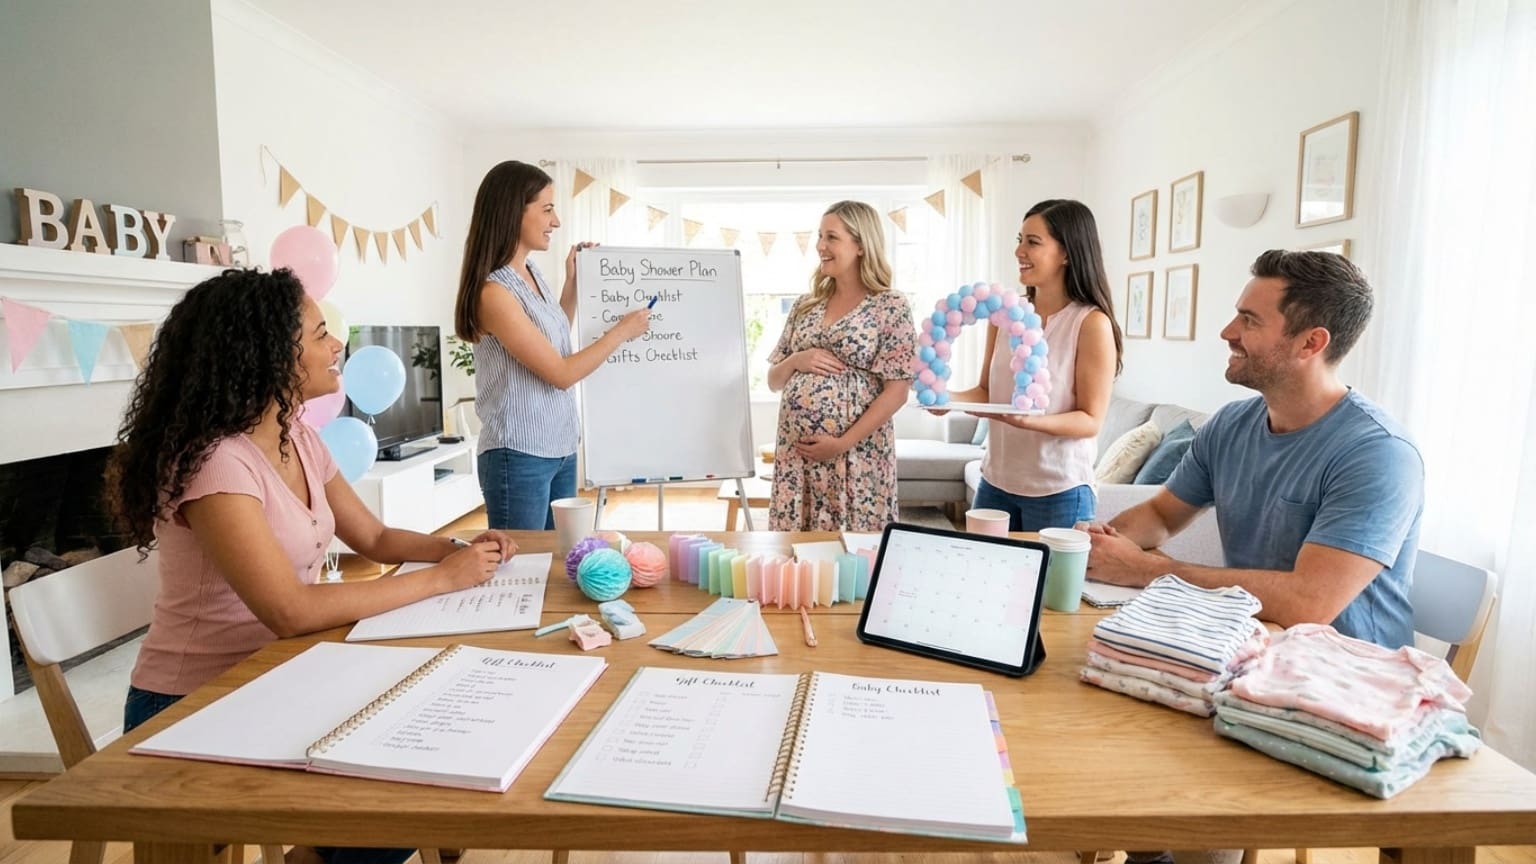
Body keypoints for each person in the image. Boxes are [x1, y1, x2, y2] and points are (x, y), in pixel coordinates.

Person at [106, 268, 515, 864]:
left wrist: (455, 549)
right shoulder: (217, 465)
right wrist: (442, 580)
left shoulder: (295, 435)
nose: (337, 345)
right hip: (193, 705)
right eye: (321, 332)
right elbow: (292, 612)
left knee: (425, 753)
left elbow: (372, 535)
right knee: (396, 794)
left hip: (276, 674)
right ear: (268, 353)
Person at [1083, 249, 1424, 650]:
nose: (1227, 332)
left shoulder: (1378, 454)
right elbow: (1160, 514)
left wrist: (1148, 570)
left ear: (1310, 343)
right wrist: (1096, 546)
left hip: (1352, 673)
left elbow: (1308, 602)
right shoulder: (1230, 425)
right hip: (1253, 648)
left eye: (1249, 320)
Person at [453, 160, 651, 529]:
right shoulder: (494, 294)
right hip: (518, 452)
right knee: (524, 568)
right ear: (513, 213)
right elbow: (560, 373)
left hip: (559, 447)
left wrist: (572, 283)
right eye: (547, 209)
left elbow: (552, 340)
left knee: (559, 564)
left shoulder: (532, 274)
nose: (556, 221)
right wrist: (622, 331)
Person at [946, 199, 1122, 531]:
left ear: (1067, 253)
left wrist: (1030, 421)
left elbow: (1090, 420)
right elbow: (986, 392)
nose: (1019, 251)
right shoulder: (1004, 315)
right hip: (996, 483)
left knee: (1052, 585)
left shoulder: (1090, 323)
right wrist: (947, 398)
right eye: (1019, 239)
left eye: (1033, 242)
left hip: (1060, 491)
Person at [766, 200, 915, 531]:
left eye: (831, 237)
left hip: (857, 455)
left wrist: (840, 443)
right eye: (820, 236)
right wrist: (796, 360)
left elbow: (897, 392)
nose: (820, 246)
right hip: (797, 460)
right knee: (797, 556)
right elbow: (774, 380)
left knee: (854, 553)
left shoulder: (890, 305)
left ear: (861, 245)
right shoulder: (805, 305)